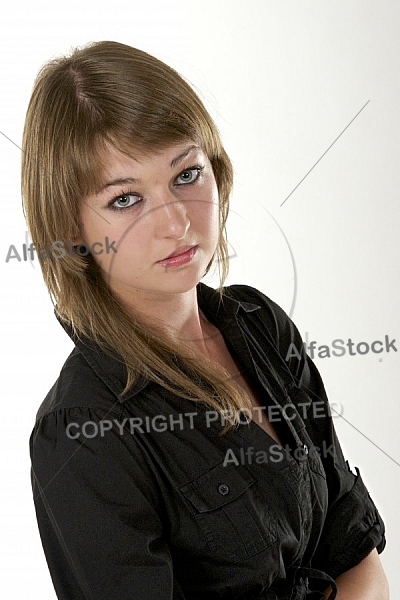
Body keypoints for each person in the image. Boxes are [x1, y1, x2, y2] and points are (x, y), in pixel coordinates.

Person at [24, 40, 388, 600]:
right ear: (70, 228)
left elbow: (354, 550)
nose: (175, 221)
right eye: (125, 199)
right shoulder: (81, 429)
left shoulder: (260, 325)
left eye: (186, 174)